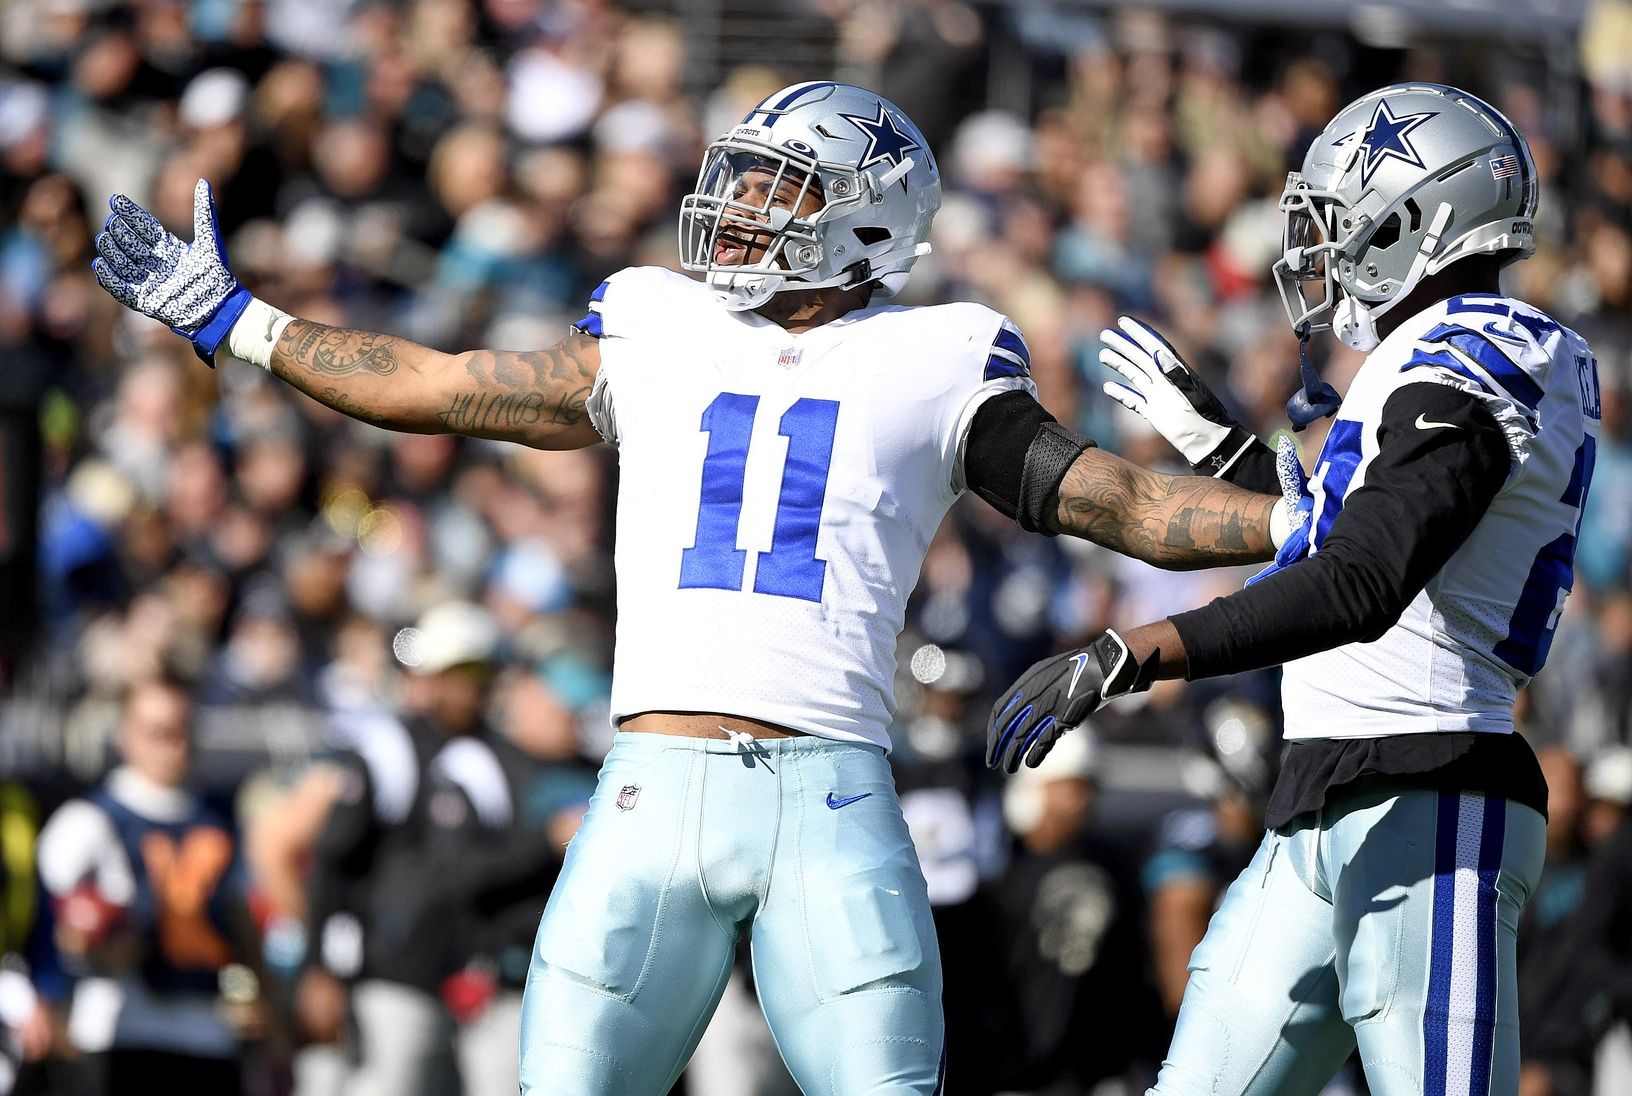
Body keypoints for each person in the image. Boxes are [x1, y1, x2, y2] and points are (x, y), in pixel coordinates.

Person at [90, 81, 1281, 1094]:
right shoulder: (656, 321)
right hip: (650, 790)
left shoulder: (941, 358)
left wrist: (1303, 516)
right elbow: (444, 385)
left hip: (828, 797)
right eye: (746, 179)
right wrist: (237, 323)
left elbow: (1120, 505)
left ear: (868, 221)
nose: (745, 209)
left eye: (784, 188)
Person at [987, 83, 1598, 1095]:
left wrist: (1135, 652)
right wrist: (1236, 451)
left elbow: (1360, 578)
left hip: (1431, 792)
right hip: (1324, 795)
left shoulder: (1482, 356)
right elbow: (1355, 521)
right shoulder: (1440, 357)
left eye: (1343, 218)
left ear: (1420, 219)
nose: (1321, 246)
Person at [34, 677, 254, 1096]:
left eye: (182, 731)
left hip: (207, 1029)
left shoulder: (216, 821)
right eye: (159, 732)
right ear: (126, 735)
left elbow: (239, 920)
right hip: (120, 1026)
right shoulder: (87, 821)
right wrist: (93, 949)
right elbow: (46, 926)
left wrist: (261, 1001)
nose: (173, 746)